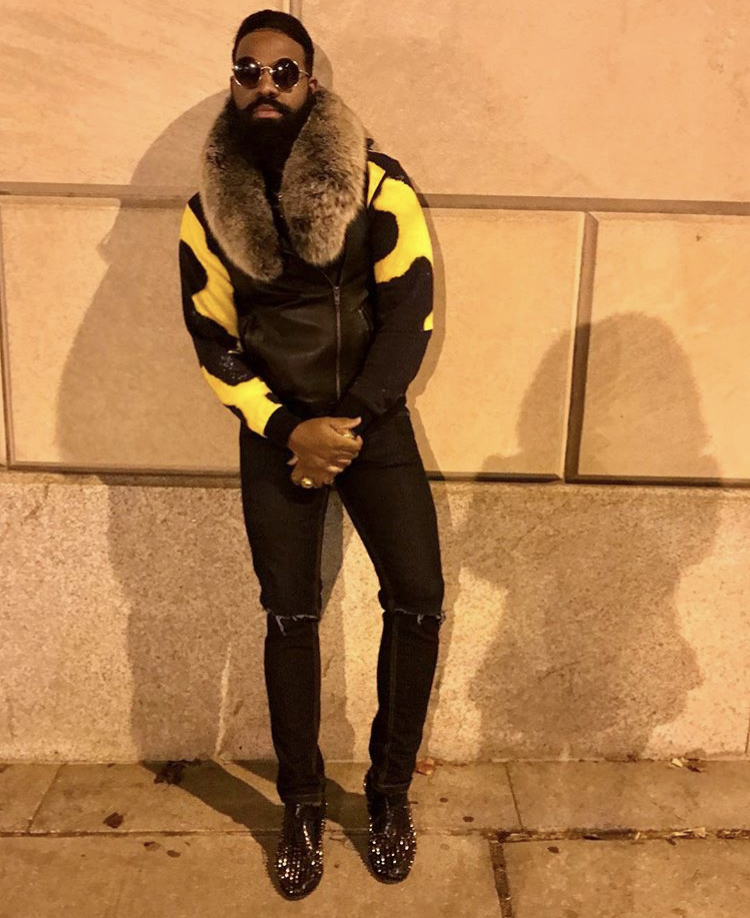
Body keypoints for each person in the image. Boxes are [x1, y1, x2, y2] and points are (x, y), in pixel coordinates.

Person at [178, 9, 445, 900]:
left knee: (418, 598)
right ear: (233, 81)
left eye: (283, 71)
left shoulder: (376, 181)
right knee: (289, 614)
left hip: (372, 423)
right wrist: (291, 431)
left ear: (310, 81)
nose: (265, 86)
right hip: (277, 433)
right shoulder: (204, 213)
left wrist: (348, 427)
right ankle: (299, 802)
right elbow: (212, 341)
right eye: (248, 72)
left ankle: (389, 793)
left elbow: (411, 312)